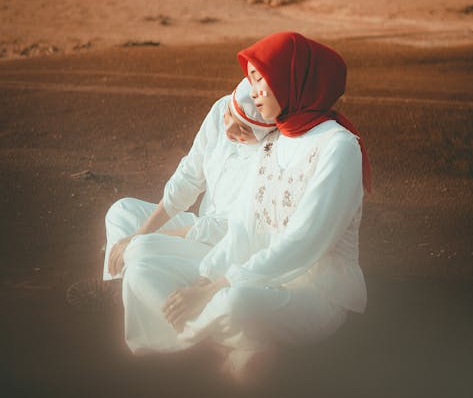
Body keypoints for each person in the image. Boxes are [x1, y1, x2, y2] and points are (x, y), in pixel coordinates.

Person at [122, 31, 371, 381]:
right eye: (251, 80)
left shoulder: (339, 147)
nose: (252, 91)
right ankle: (231, 344)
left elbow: (305, 243)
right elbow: (243, 227)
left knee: (235, 304)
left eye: (260, 80)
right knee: (140, 257)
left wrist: (216, 287)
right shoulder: (274, 140)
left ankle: (214, 339)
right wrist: (207, 277)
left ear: (292, 81)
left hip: (312, 291)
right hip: (247, 273)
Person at [65, 78, 276, 311]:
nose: (229, 130)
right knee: (122, 211)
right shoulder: (221, 107)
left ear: (265, 132)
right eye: (229, 116)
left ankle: (132, 300)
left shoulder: (274, 151)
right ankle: (119, 289)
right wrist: (142, 232)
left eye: (244, 129)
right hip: (198, 227)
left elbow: (233, 228)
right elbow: (188, 177)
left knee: (140, 249)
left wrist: (145, 239)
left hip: (223, 249)